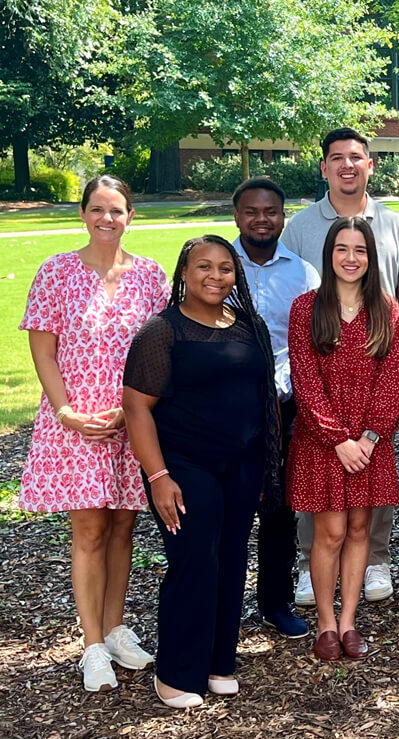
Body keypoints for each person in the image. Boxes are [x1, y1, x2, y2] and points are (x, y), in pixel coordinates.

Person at [20, 175, 168, 693]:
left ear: (131, 217)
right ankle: (90, 647)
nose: (108, 218)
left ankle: (114, 628)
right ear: (82, 213)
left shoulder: (150, 277)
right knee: (89, 530)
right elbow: (43, 348)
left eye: (118, 210)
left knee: (124, 527)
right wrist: (64, 411)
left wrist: (134, 411)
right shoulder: (57, 271)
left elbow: (160, 352)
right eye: (98, 209)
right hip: (77, 425)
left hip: (131, 422)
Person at [123, 236, 277, 708]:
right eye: (204, 267)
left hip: (242, 465)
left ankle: (218, 662)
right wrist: (158, 476)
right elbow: (136, 407)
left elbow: (263, 395)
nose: (215, 276)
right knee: (194, 562)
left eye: (225, 268)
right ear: (184, 274)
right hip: (185, 467)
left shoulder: (248, 326)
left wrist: (267, 464)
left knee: (232, 560)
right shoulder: (162, 331)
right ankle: (176, 671)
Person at [281, 128, 399, 607]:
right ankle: (309, 567)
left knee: (367, 495)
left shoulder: (392, 225)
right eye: (336, 158)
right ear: (323, 167)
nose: (347, 165)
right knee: (318, 499)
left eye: (356, 158)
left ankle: (374, 560)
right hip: (321, 392)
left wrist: (370, 429)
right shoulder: (300, 227)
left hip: (373, 380)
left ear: (370, 165)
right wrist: (335, 434)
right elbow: (294, 309)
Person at [288, 217, 399, 661]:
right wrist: (338, 438)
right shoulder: (307, 309)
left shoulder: (387, 308)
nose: (351, 258)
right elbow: (305, 380)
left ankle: (349, 621)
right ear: (329, 253)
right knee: (331, 532)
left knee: (360, 528)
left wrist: (370, 438)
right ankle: (324, 623)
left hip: (370, 441)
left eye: (360, 250)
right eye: (342, 249)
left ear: (371, 257)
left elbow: (393, 381)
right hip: (323, 441)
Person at [231, 177, 321, 639]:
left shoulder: (304, 275)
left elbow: (312, 342)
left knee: (280, 508)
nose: (261, 220)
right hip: (227, 408)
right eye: (251, 211)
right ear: (237, 216)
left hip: (286, 407)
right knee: (228, 507)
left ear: (282, 216)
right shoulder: (217, 265)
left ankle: (275, 602)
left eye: (270, 211)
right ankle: (221, 601)